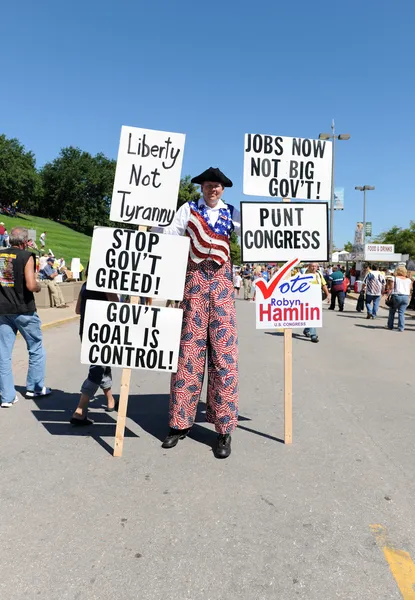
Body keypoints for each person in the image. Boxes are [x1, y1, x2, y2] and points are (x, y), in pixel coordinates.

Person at [160, 167, 240, 459]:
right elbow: (168, 234)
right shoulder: (188, 210)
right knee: (187, 354)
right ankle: (179, 423)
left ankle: (224, 429)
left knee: (224, 357)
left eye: (216, 185)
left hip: (221, 287)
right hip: (193, 283)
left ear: (222, 188)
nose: (212, 189)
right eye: (208, 185)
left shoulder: (232, 213)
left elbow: (258, 236)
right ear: (202, 187)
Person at [0, 227, 51, 407]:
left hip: (4, 310)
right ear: (24, 242)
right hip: (24, 310)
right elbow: (30, 285)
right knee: (35, 347)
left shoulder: (3, 256)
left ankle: (7, 396)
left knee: (3, 354)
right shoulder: (26, 256)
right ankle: (35, 388)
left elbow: (7, 280)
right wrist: (38, 287)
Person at [71, 272, 119, 425]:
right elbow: (116, 306)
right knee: (97, 370)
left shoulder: (85, 285)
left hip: (85, 332)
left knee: (102, 366)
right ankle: (79, 411)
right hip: (102, 333)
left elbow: (78, 310)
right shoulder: (106, 285)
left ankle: (110, 400)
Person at [303, 263, 330, 343]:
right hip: (308, 299)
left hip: (316, 298)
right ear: (309, 267)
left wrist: (328, 294)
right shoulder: (305, 275)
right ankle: (313, 335)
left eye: (315, 266)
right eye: (312, 266)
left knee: (314, 316)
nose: (313, 268)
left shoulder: (319, 274)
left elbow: (323, 285)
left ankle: (307, 329)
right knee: (312, 316)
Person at [386, 265, 412, 332]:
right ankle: (401, 327)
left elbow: (391, 288)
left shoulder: (394, 278)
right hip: (405, 297)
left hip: (396, 296)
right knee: (401, 313)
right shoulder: (408, 280)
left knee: (392, 311)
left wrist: (387, 295)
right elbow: (410, 289)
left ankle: (390, 326)